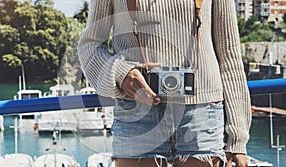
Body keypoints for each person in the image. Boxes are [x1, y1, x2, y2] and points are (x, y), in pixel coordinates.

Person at [78, 0, 251, 167]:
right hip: (136, 110)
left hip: (202, 113)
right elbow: (90, 45)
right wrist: (122, 73)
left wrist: (238, 137)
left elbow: (229, 56)